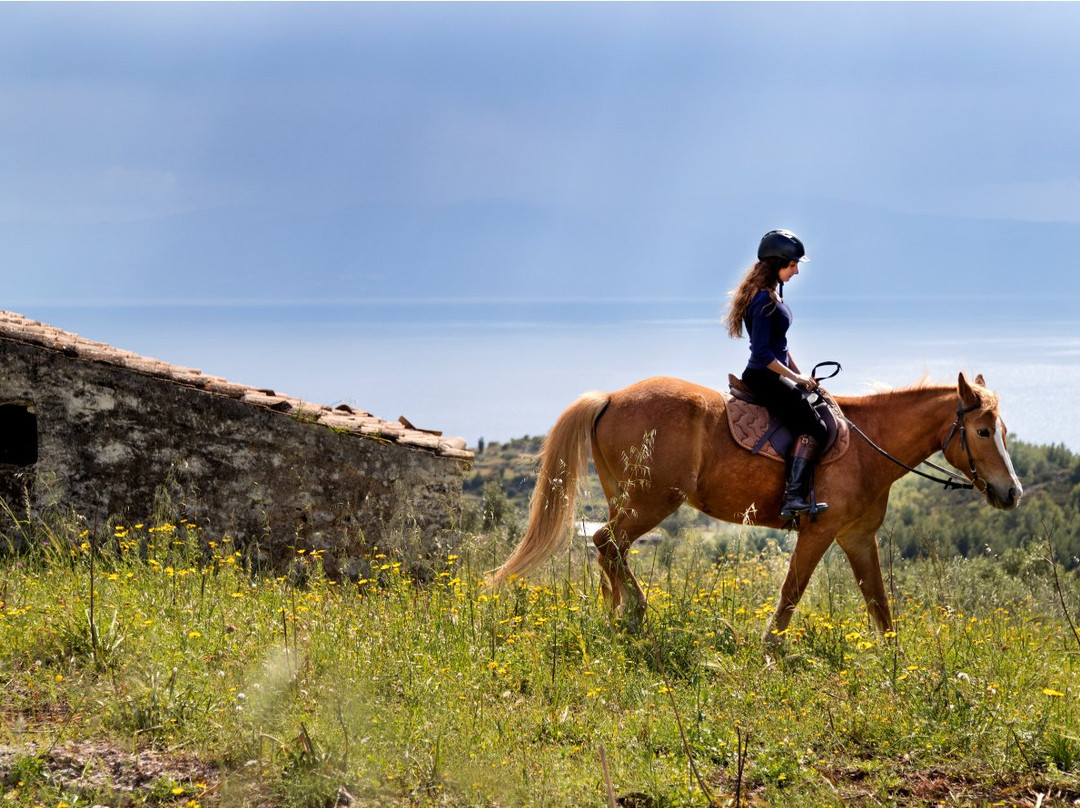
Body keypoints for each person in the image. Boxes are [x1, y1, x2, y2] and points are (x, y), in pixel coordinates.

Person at [724, 229, 828, 520]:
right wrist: (796, 380)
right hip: (763, 378)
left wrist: (801, 374)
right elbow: (762, 356)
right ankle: (793, 496)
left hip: (773, 374)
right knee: (816, 427)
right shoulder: (763, 301)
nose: (796, 271)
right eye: (792, 264)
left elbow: (780, 347)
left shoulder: (769, 295)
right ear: (776, 263)